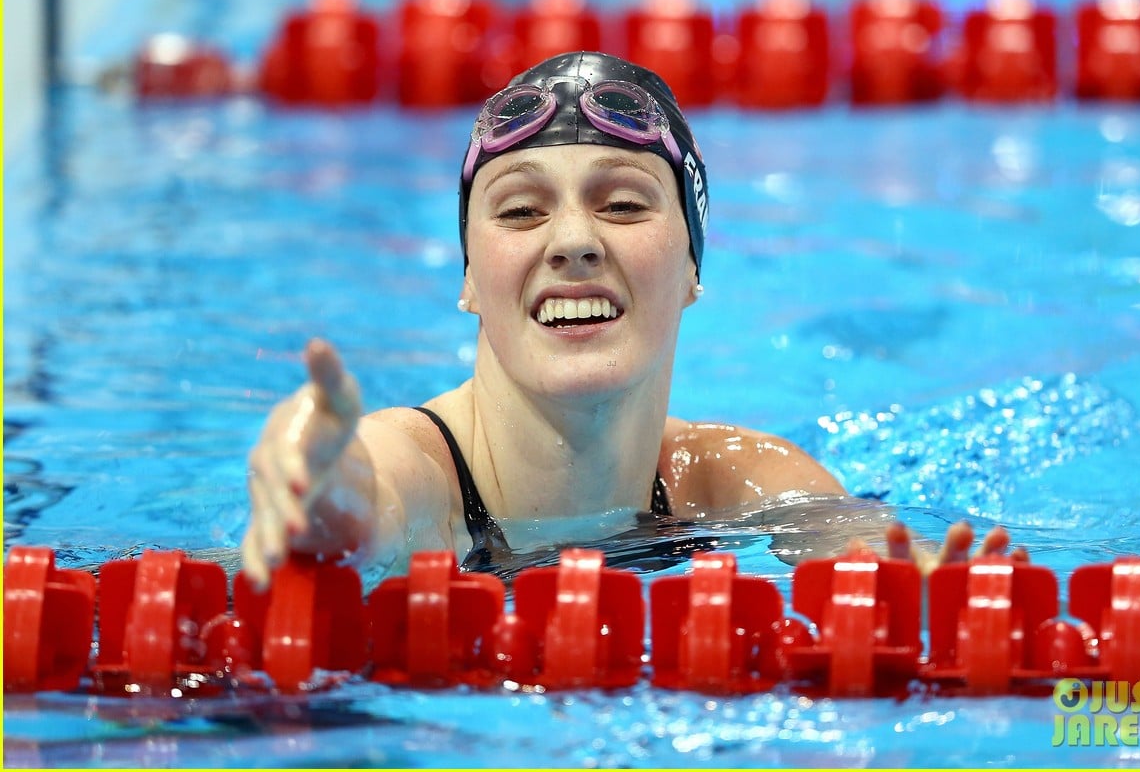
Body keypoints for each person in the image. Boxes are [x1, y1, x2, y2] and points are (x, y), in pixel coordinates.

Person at [241, 51, 1022, 589]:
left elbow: (854, 547)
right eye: (520, 209)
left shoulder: (732, 478)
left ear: (691, 269)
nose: (575, 242)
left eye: (622, 204)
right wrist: (312, 481)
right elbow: (364, 498)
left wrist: (917, 589)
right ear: (470, 277)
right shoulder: (425, 467)